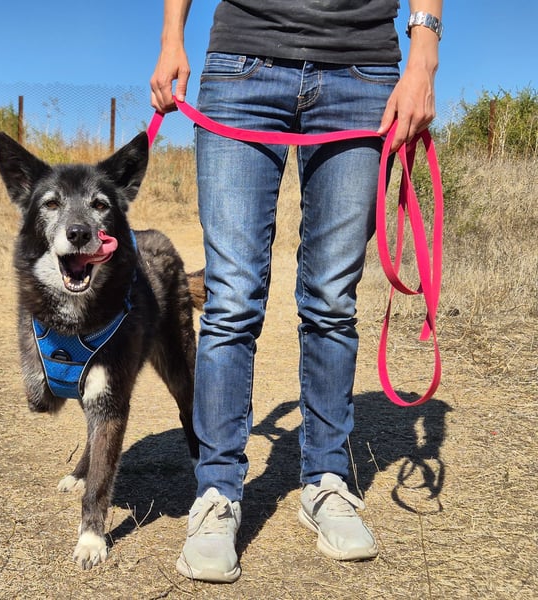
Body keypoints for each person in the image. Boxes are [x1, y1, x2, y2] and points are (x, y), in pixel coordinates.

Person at [150, 0, 442, 583]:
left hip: (362, 72)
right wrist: (171, 36)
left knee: (333, 299)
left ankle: (327, 480)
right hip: (242, 64)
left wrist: (423, 61)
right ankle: (216, 494)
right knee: (230, 298)